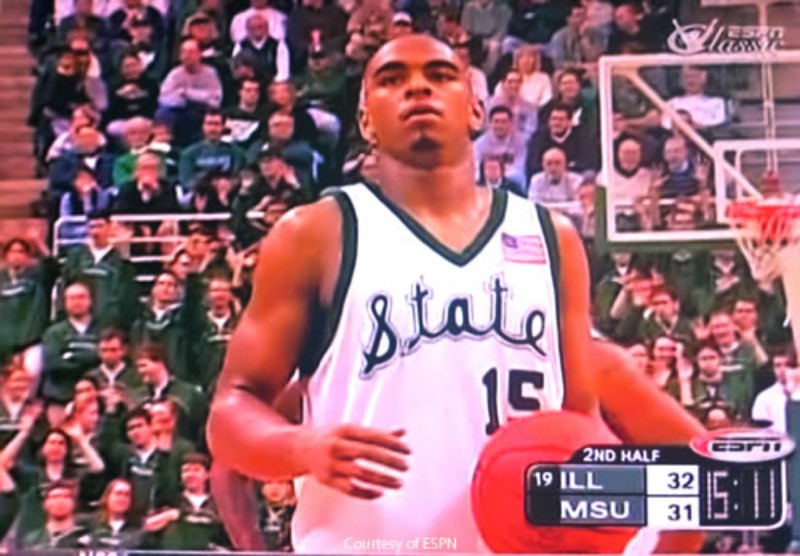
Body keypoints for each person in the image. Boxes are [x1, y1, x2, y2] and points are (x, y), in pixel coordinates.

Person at [208, 35, 704, 554]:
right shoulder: (314, 234)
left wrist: (630, 518)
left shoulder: (552, 238)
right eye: (392, 79)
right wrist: (300, 447)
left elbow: (580, 428)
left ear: (475, 110)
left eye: (440, 76)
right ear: (366, 122)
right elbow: (229, 414)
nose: (418, 87)